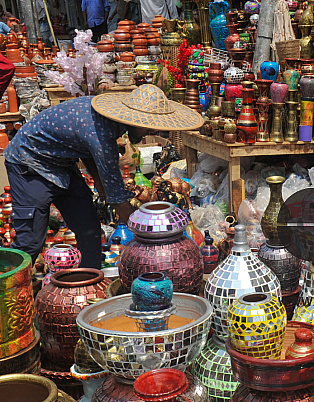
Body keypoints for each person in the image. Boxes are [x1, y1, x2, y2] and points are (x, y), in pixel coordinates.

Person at [4, 84, 204, 268]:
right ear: (133, 118)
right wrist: (146, 237)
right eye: (148, 125)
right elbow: (117, 198)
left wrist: (100, 182)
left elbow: (84, 146)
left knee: (90, 231)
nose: (151, 131)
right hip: (29, 162)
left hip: (62, 166)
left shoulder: (107, 125)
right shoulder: (102, 135)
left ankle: (90, 282)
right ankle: (11, 291)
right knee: (30, 243)